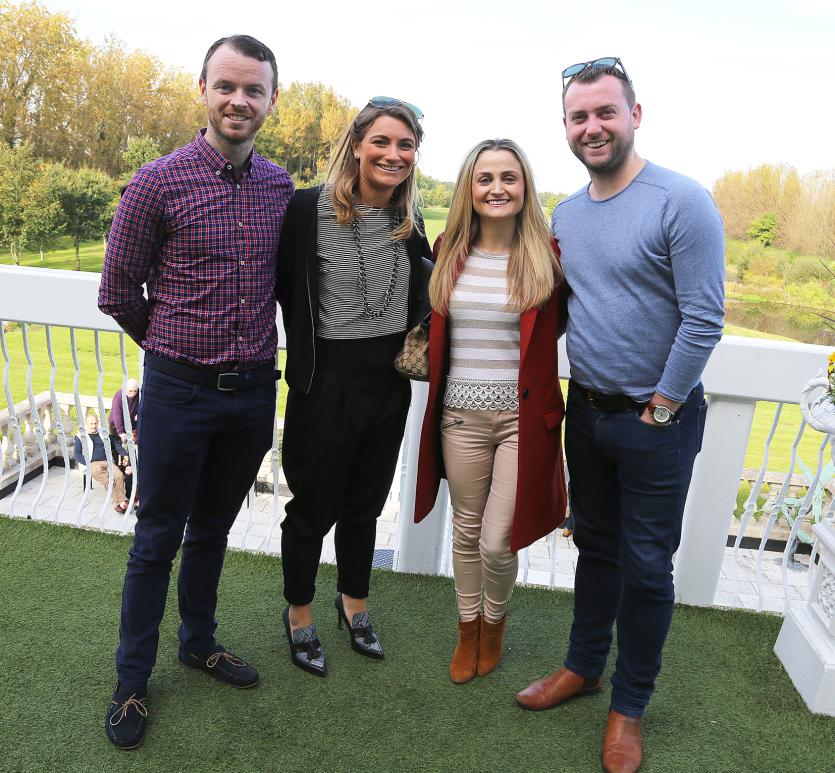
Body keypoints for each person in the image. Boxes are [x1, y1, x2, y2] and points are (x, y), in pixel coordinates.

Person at [514, 58, 724, 773]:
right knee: (595, 547)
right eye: (578, 116)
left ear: (636, 114)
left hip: (654, 422)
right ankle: (582, 666)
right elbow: (564, 305)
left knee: (644, 565)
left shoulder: (681, 201)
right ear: (565, 128)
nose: (592, 127)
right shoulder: (569, 213)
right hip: (588, 413)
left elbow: (702, 317)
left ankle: (627, 706)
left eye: (605, 112)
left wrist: (661, 409)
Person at [98, 34, 293, 749]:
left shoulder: (278, 187)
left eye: (254, 89)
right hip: (179, 389)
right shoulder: (159, 181)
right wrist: (173, 347)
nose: (239, 100)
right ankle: (130, 679)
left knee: (213, 528)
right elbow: (117, 291)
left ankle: (198, 640)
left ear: (272, 100)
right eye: (227, 86)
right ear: (203, 89)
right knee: (156, 537)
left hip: (251, 396)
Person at [276, 97, 431, 677]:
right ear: (358, 145)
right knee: (313, 508)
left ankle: (354, 603)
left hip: (387, 387)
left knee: (365, 505)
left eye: (405, 145)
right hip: (324, 384)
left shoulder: (410, 227)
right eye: (383, 142)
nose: (394, 154)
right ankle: (298, 612)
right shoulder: (303, 212)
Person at [413, 139, 567, 684]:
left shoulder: (547, 257)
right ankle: (467, 630)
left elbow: (556, 328)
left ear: (525, 187)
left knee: (499, 540)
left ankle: (494, 624)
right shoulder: (448, 250)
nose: (497, 188)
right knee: (467, 532)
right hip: (460, 418)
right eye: (485, 179)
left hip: (521, 423)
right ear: (469, 189)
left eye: (509, 177)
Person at [73, 413, 129, 513]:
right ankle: (122, 502)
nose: (94, 426)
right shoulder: (80, 436)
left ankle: (119, 503)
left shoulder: (103, 433)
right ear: (86, 424)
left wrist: (124, 454)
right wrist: (88, 463)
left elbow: (116, 444)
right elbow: (77, 454)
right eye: (91, 424)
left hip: (107, 461)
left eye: (95, 423)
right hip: (92, 463)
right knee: (108, 480)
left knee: (119, 475)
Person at [109, 379, 140, 444]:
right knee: (116, 445)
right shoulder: (119, 396)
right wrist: (121, 432)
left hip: (130, 424)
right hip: (115, 425)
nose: (133, 393)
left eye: (135, 391)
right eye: (130, 391)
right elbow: (117, 415)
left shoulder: (138, 394)